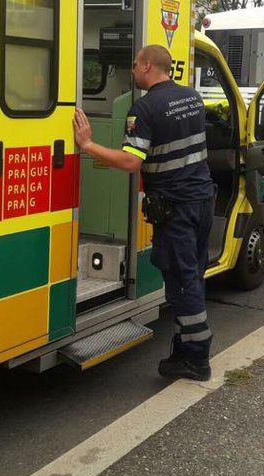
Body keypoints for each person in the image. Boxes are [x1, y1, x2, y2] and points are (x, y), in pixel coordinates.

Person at [72, 44, 216, 381]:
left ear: (148, 65)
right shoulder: (192, 97)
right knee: (192, 274)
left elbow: (131, 162)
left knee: (181, 281)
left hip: (176, 208)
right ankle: (186, 347)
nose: (133, 70)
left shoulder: (145, 108)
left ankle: (197, 357)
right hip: (202, 201)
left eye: (135, 65)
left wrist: (88, 145)